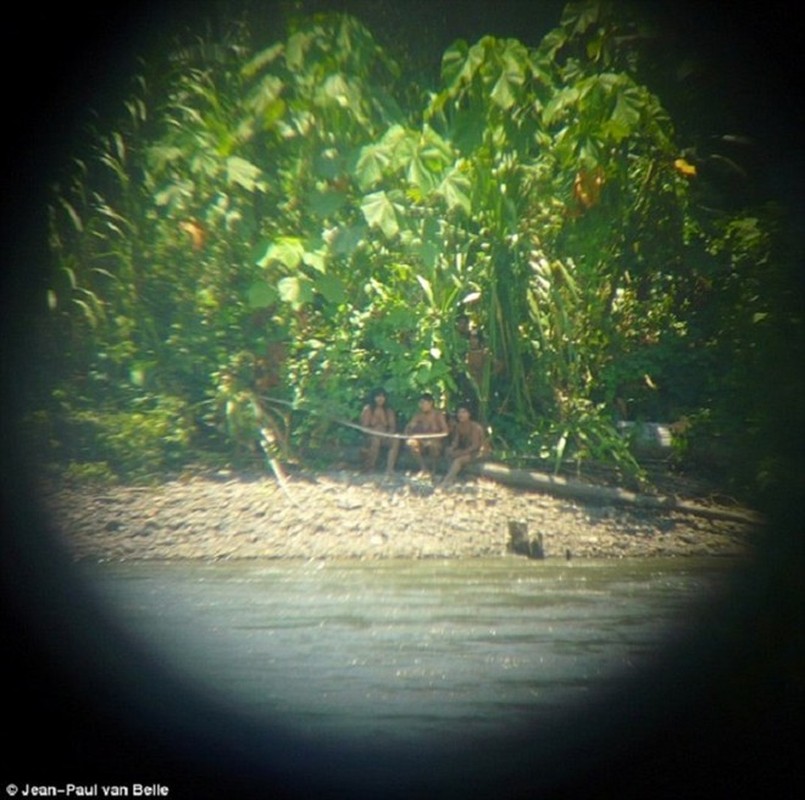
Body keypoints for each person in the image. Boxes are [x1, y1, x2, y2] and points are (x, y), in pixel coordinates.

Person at [438, 405, 487, 487]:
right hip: (467, 451)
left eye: (464, 412)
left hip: (478, 452)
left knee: (458, 460)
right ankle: (454, 475)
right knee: (448, 452)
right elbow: (456, 442)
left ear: (469, 414)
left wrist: (461, 453)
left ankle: (447, 480)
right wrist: (451, 449)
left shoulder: (475, 427)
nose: (461, 414)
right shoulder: (459, 426)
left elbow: (475, 446)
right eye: (459, 412)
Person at [403, 392, 449, 474]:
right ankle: (423, 468)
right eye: (420, 403)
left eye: (424, 403)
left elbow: (445, 431)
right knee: (411, 443)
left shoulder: (438, 415)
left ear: (430, 403)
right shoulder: (418, 415)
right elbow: (408, 429)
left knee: (432, 445)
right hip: (421, 441)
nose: (422, 405)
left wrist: (434, 438)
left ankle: (434, 470)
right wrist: (410, 429)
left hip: (435, 441)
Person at [359, 388, 400, 474]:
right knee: (375, 441)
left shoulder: (388, 410)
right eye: (378, 396)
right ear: (373, 397)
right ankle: (370, 467)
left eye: (382, 396)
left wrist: (388, 434)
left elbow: (392, 426)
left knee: (396, 440)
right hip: (371, 436)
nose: (380, 399)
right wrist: (375, 433)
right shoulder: (368, 409)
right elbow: (364, 427)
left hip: (385, 436)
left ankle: (390, 469)